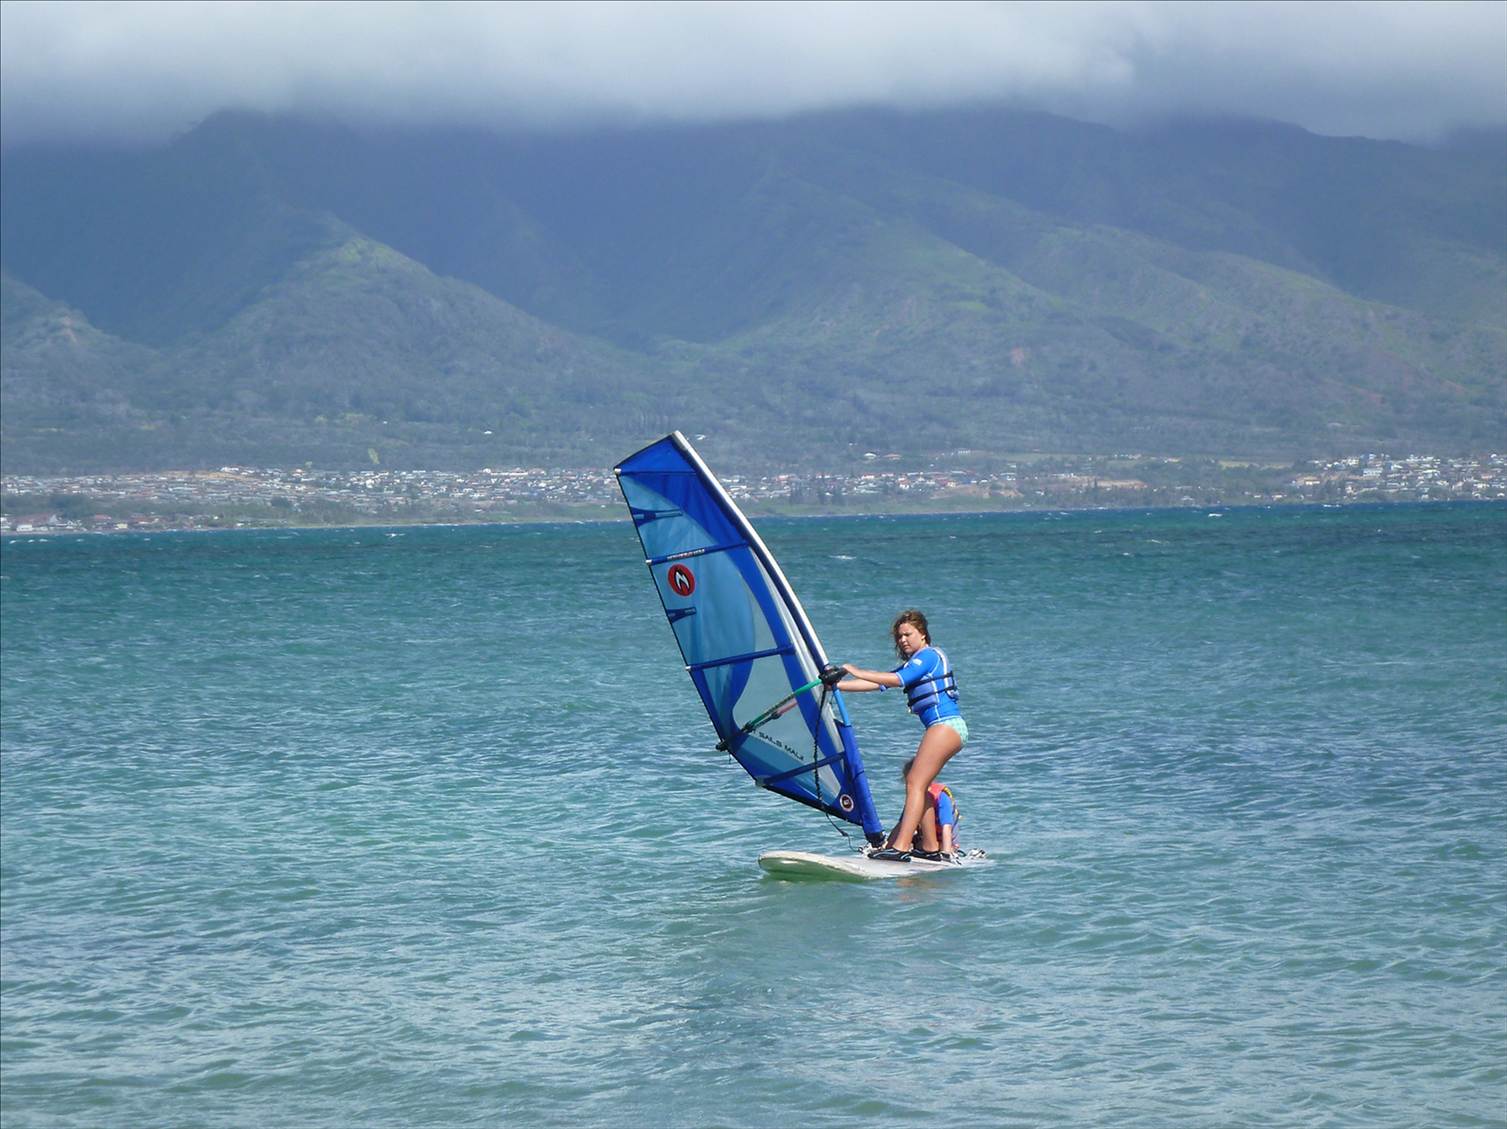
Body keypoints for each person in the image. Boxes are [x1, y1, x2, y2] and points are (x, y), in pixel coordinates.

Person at [834, 609, 966, 861]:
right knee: (919, 782)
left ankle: (902, 847)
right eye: (899, 637)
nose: (903, 640)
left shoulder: (929, 655)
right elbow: (878, 684)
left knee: (914, 782)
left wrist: (855, 669)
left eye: (908, 634)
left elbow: (897, 679)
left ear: (923, 634)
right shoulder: (915, 662)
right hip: (944, 727)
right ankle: (929, 847)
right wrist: (836, 686)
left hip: (946, 725)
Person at [901, 756, 960, 860]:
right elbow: (902, 824)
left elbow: (947, 826)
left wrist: (946, 853)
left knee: (928, 845)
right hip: (925, 839)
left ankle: (947, 849)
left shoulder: (941, 796)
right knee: (915, 841)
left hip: (945, 841)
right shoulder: (915, 798)